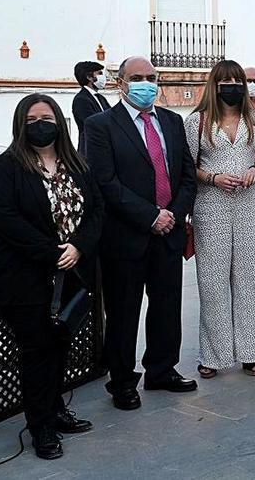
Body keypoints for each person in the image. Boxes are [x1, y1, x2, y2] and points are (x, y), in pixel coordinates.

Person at [0, 95, 102, 459]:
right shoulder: (4, 168)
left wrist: (78, 247)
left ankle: (55, 409)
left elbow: (96, 210)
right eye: (32, 118)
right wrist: (53, 253)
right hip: (25, 278)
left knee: (60, 344)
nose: (40, 124)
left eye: (47, 117)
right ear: (21, 124)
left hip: (72, 275)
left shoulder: (77, 164)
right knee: (36, 352)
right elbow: (7, 221)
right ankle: (41, 427)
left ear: (59, 122)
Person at [84, 56, 198, 411]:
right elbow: (104, 181)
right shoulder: (99, 125)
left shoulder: (172, 120)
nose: (145, 83)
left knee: (167, 306)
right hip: (125, 236)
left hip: (168, 233)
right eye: (137, 77)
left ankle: (162, 370)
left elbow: (186, 176)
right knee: (123, 311)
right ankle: (121, 380)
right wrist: (150, 216)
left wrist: (172, 215)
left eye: (151, 77)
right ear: (120, 82)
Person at [185, 60, 255, 378]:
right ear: (215, 85)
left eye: (237, 81)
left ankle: (253, 351)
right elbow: (187, 167)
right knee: (213, 282)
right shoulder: (196, 121)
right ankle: (213, 355)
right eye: (225, 82)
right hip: (210, 207)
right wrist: (212, 177)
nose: (233, 86)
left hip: (250, 205)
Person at [71, 60, 110, 152]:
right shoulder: (81, 99)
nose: (103, 77)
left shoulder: (101, 98)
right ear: (89, 77)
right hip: (90, 152)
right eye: (99, 73)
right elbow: (93, 124)